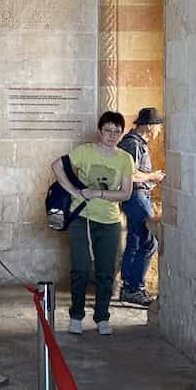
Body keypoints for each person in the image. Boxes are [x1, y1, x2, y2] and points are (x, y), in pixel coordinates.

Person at [51, 112, 135, 335]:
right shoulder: (85, 151)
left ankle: (102, 316)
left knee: (106, 270)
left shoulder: (125, 159)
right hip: (82, 217)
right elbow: (57, 165)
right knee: (80, 268)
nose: (112, 135)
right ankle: (76, 315)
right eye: (108, 130)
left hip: (109, 220)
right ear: (100, 131)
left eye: (117, 131)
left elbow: (126, 194)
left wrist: (97, 192)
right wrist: (74, 191)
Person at [117, 107, 165, 306]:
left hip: (138, 196)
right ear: (148, 126)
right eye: (158, 126)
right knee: (149, 242)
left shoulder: (135, 143)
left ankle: (130, 287)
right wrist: (153, 176)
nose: (159, 131)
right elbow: (131, 175)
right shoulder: (133, 144)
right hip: (136, 197)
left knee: (137, 240)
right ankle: (133, 287)